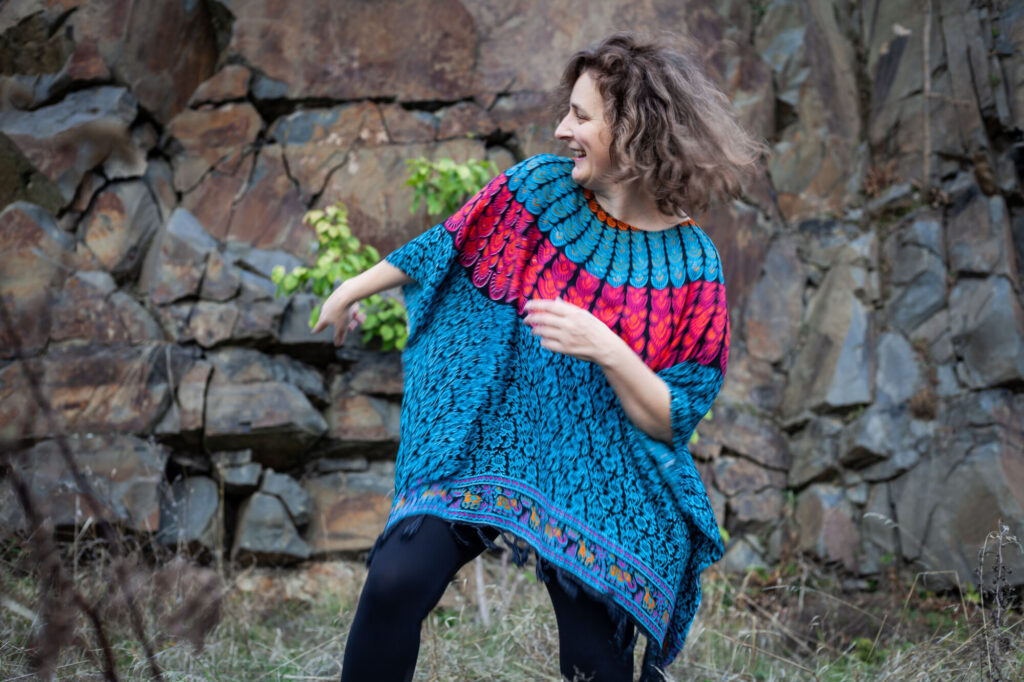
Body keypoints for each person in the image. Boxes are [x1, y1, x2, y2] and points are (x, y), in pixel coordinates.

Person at [314, 32, 763, 682]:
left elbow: (673, 417)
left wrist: (606, 348)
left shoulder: (694, 266)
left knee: (594, 665)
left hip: (605, 481)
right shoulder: (539, 190)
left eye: (581, 116)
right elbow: (449, 245)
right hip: (492, 442)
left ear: (634, 129)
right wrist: (352, 288)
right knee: (393, 581)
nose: (562, 129)